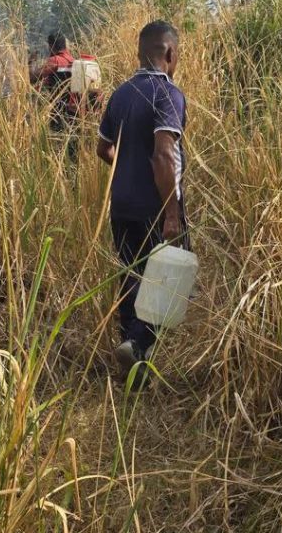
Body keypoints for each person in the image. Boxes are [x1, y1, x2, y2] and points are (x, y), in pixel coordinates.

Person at [96, 20, 190, 377]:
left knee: (131, 275)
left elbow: (103, 148)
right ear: (170, 53)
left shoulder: (120, 94)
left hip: (121, 204)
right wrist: (171, 214)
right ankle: (137, 343)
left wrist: (126, 169)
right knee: (167, 281)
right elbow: (164, 155)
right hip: (155, 206)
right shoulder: (168, 93)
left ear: (139, 53)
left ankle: (132, 365)